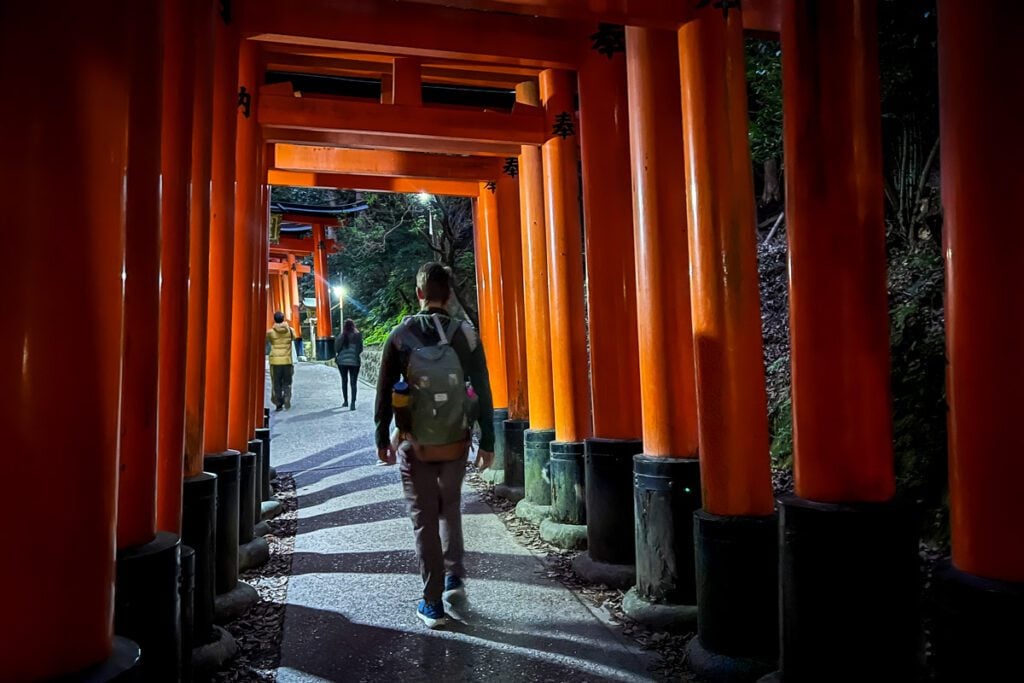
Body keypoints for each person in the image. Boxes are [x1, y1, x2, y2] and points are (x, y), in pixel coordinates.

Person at [375, 262, 495, 629]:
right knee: (450, 505)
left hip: (416, 444)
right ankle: (453, 574)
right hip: (456, 442)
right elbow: (483, 391)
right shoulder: (465, 336)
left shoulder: (400, 335)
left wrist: (383, 438)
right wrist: (487, 441)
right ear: (450, 295)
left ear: (419, 293)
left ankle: (432, 603)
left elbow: (383, 391)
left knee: (424, 519)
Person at [266, 311, 296, 411]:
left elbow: (266, 341)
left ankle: (278, 403)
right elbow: (294, 338)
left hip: (275, 361)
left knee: (276, 383)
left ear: (274, 319)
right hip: (287, 360)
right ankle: (287, 397)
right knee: (287, 382)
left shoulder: (270, 332)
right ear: (284, 319)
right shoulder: (291, 331)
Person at [335, 318, 363, 410]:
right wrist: (355, 355)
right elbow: (360, 349)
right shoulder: (358, 335)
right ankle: (353, 403)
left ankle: (345, 401)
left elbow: (337, 348)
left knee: (344, 381)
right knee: (353, 383)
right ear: (353, 325)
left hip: (342, 362)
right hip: (354, 362)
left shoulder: (341, 335)